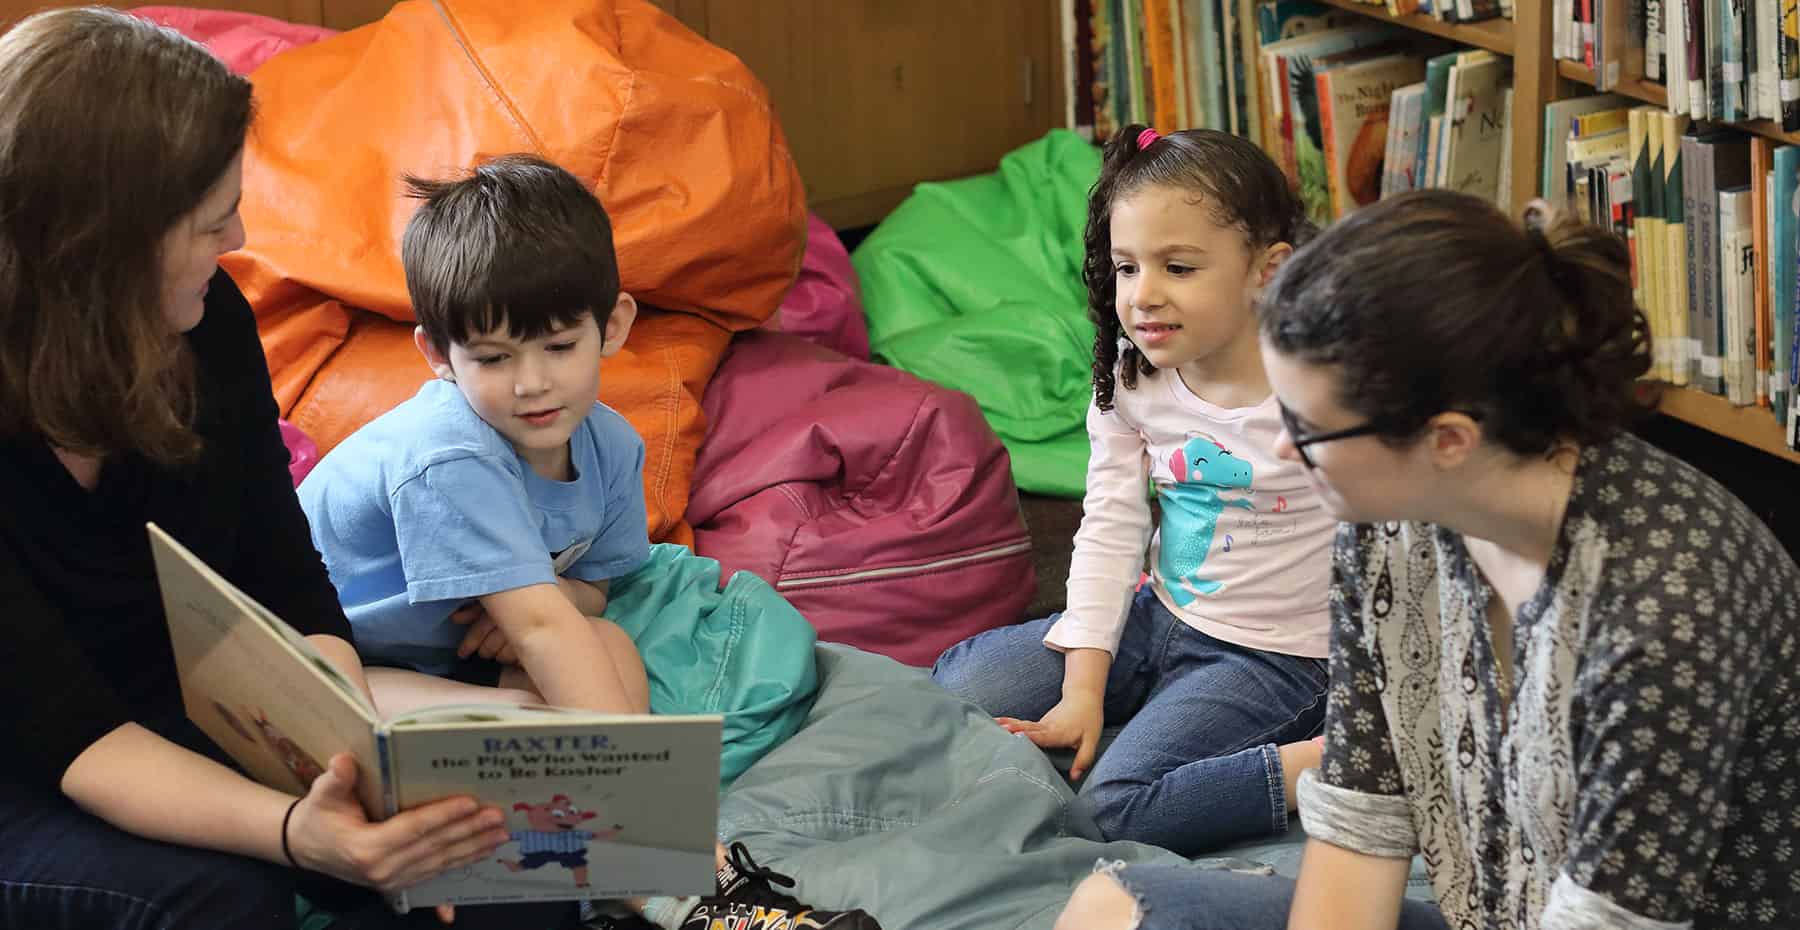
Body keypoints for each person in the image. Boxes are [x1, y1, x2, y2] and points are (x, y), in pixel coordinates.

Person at [1055, 190, 1800, 929]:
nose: (1283, 448)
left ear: (1449, 440)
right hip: (1497, 910)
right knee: (1110, 906)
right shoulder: (1384, 523)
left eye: (1308, 428)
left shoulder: (1662, 610)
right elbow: (1360, 824)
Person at [0, 9, 536, 929]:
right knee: (223, 900)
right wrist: (299, 831)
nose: (240, 236)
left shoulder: (206, 329)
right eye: (211, 220)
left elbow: (287, 579)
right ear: (98, 249)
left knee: (486, 859)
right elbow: (74, 738)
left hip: (186, 704)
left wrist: (350, 764)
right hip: (33, 762)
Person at [299, 154, 880, 930]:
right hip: (346, 672)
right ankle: (671, 888)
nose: (532, 383)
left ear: (613, 327)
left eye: (558, 347)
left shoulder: (607, 443)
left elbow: (591, 591)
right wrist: (665, 810)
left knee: (607, 648)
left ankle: (618, 868)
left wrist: (543, 606)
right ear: (440, 358)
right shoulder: (449, 452)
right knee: (535, 729)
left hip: (445, 660)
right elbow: (539, 627)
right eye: (494, 359)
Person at [931, 124, 1335, 855]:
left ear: (1266, 271)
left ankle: (1333, 765)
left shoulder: (1320, 389)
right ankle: (1149, 713)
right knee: (957, 686)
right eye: (1126, 268)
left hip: (1276, 660)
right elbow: (1111, 525)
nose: (1142, 296)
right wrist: (1084, 686)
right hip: (1160, 617)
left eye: (1178, 268)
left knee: (1118, 811)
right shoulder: (1132, 372)